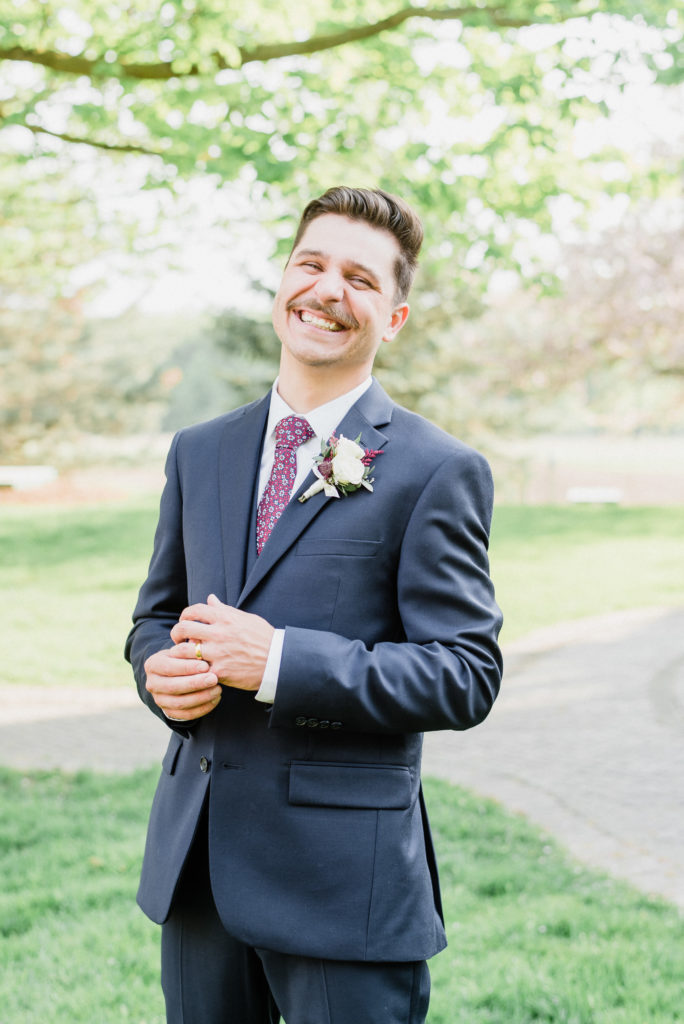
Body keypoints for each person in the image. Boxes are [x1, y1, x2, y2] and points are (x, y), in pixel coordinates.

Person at [125, 185, 503, 1024]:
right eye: (312, 264)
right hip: (199, 873)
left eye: (361, 279)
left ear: (394, 319)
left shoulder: (436, 470)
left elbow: (465, 675)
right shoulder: (200, 451)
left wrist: (282, 663)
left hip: (345, 887)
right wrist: (158, 675)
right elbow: (156, 617)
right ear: (282, 286)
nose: (329, 290)